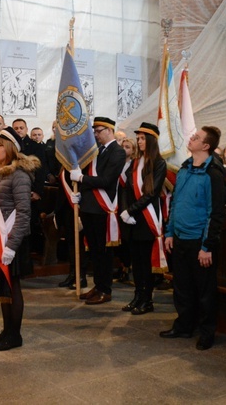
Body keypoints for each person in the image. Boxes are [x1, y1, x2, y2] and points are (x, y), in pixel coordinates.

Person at [160, 126, 226, 351]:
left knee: (205, 291)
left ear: (206, 146)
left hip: (200, 241)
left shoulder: (213, 173)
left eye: (196, 137)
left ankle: (207, 332)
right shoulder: (185, 169)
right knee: (182, 287)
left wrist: (207, 246)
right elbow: (175, 203)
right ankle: (184, 325)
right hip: (179, 237)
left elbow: (215, 213)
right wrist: (169, 232)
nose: (191, 138)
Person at [0, 126, 39, 351]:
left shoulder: (19, 174)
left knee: (12, 286)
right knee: (3, 288)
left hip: (13, 241)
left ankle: (15, 335)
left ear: (9, 148)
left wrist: (11, 246)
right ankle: (6, 331)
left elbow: (24, 213)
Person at [70, 117, 126, 305]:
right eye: (94, 131)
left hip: (103, 209)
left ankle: (105, 289)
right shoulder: (97, 151)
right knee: (94, 251)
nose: (95, 134)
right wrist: (80, 195)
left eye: (98, 130)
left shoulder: (117, 152)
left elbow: (106, 180)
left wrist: (82, 179)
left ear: (109, 130)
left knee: (103, 252)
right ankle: (98, 285)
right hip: (90, 207)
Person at [120, 123, 166, 315]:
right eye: (137, 138)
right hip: (132, 219)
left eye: (142, 138)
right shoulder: (134, 163)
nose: (139, 142)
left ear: (151, 140)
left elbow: (151, 193)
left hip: (146, 218)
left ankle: (147, 300)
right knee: (136, 263)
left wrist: (130, 211)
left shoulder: (158, 163)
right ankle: (137, 296)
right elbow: (125, 189)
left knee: (146, 263)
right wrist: (124, 210)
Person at [12, 118, 47, 255]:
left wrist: (38, 191)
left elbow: (41, 170)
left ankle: (32, 251)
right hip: (15, 190)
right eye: (16, 128)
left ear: (26, 129)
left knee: (31, 221)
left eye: (21, 128)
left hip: (31, 189)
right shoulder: (11, 146)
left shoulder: (35, 146)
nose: (19, 130)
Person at [115, 137, 138, 283]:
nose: (124, 149)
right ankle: (122, 266)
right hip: (114, 204)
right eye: (123, 146)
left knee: (127, 238)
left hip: (127, 206)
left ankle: (128, 267)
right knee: (119, 240)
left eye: (128, 147)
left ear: (133, 150)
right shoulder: (116, 165)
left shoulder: (134, 166)